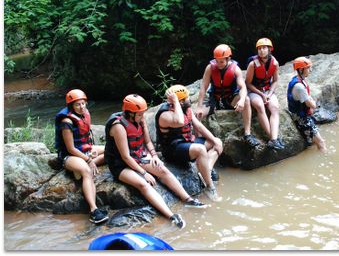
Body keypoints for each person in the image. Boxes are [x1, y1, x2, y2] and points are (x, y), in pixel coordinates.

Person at [105, 94, 207, 230]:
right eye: (140, 114)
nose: (143, 117)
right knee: (143, 184)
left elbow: (147, 141)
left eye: (143, 113)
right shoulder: (118, 126)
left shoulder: (139, 119)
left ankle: (187, 199)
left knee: (163, 170)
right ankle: (171, 216)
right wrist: (144, 173)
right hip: (120, 164)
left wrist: (154, 156)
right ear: (130, 113)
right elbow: (125, 157)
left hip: (138, 156)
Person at [155, 85, 223, 202]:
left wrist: (214, 141)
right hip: (173, 149)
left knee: (217, 142)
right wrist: (175, 100)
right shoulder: (165, 115)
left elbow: (199, 127)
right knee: (201, 149)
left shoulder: (187, 109)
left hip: (187, 143)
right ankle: (210, 187)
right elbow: (180, 121)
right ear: (180, 102)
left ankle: (207, 170)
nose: (189, 99)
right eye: (186, 98)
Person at [54, 89, 109, 224]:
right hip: (69, 156)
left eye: (83, 103)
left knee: (111, 151)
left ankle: (80, 168)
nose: (81, 107)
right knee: (86, 171)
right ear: (71, 106)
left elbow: (85, 139)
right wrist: (88, 159)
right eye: (77, 104)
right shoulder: (67, 121)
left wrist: (90, 153)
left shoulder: (84, 114)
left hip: (84, 150)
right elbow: (71, 149)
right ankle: (94, 210)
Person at [196, 44, 260, 148]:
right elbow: (203, 87)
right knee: (197, 114)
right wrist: (199, 106)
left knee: (247, 100)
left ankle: (247, 134)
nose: (219, 64)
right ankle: (198, 140)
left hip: (230, 99)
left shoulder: (235, 69)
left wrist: (242, 100)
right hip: (215, 100)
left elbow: (243, 87)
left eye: (221, 61)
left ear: (228, 58)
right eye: (217, 61)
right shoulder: (210, 68)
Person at [245, 38, 285, 150]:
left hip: (267, 90)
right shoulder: (253, 64)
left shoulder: (275, 63)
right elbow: (247, 83)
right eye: (259, 48)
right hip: (254, 90)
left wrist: (270, 93)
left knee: (275, 107)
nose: (261, 50)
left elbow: (275, 80)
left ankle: (274, 139)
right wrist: (262, 95)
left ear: (269, 49)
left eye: (264, 48)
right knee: (259, 105)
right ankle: (272, 138)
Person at [287, 57, 327, 152]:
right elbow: (311, 104)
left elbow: (308, 97)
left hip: (302, 114)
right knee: (321, 142)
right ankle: (326, 158)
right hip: (301, 118)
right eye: (308, 68)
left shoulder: (300, 80)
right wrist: (314, 104)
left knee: (315, 140)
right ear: (301, 70)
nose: (310, 70)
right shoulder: (299, 86)